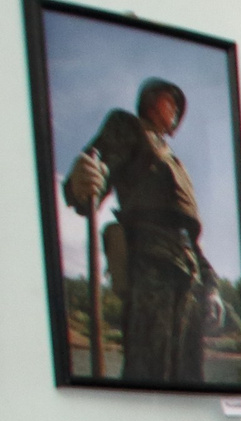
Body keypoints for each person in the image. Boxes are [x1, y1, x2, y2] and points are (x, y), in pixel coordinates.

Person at [62, 78, 214, 385]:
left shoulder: (175, 161)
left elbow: (188, 231)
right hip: (150, 261)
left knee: (189, 372)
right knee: (149, 368)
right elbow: (93, 172)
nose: (173, 107)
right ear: (148, 101)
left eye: (176, 104)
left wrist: (210, 285)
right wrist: (81, 184)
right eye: (166, 99)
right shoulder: (128, 127)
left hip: (188, 269)